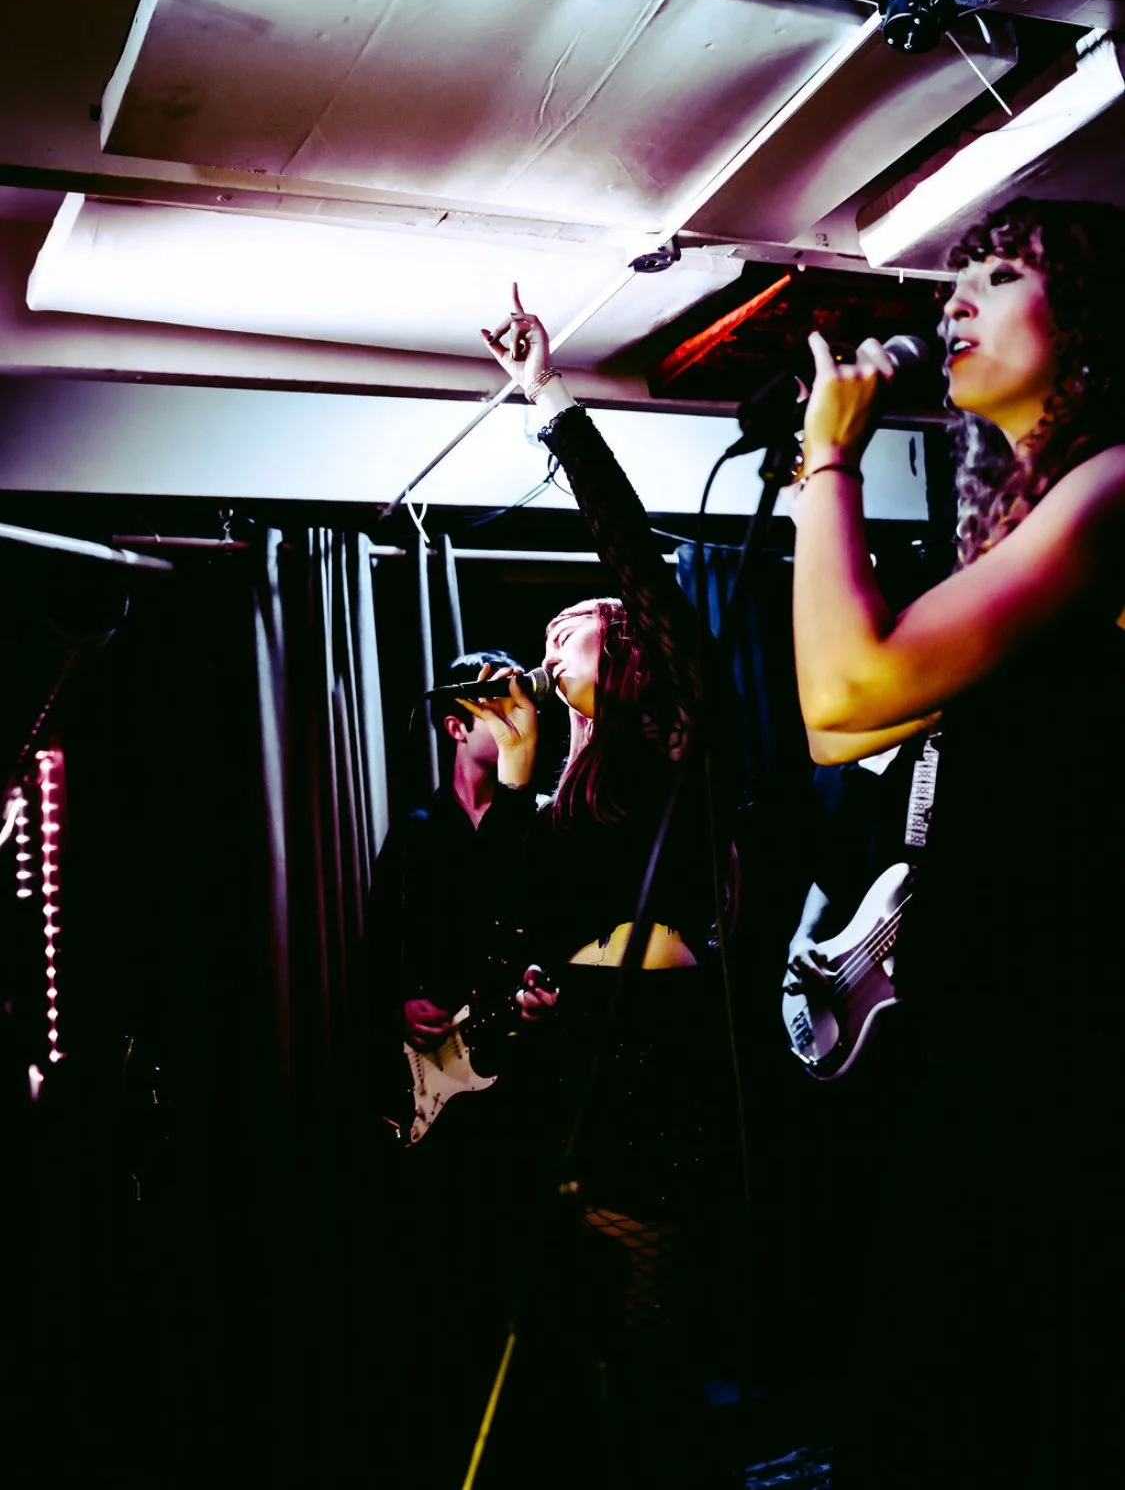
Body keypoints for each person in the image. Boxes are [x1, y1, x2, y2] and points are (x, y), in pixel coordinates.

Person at [790, 195, 1125, 1489]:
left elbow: (847, 682)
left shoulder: (1113, 485)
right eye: (955, 282)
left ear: (1090, 321)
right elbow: (835, 725)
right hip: (992, 1046)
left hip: (1068, 1058)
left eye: (999, 273)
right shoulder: (1026, 526)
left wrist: (827, 464)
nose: (955, 303)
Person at [460, 291, 738, 1488]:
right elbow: (515, 916)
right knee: (588, 1344)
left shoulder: (672, 733)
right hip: (581, 1058)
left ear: (624, 655)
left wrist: (552, 401)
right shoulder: (563, 786)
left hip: (658, 1057)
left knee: (652, 1330)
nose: (547, 644)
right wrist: (519, 770)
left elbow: (632, 554)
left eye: (569, 629)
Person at [368, 649, 556, 1490]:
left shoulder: (540, 823)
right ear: (455, 726)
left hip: (526, 1086)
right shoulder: (415, 833)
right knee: (441, 1278)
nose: (516, 712)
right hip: (436, 1092)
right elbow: (378, 950)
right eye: (492, 704)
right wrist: (398, 1005)